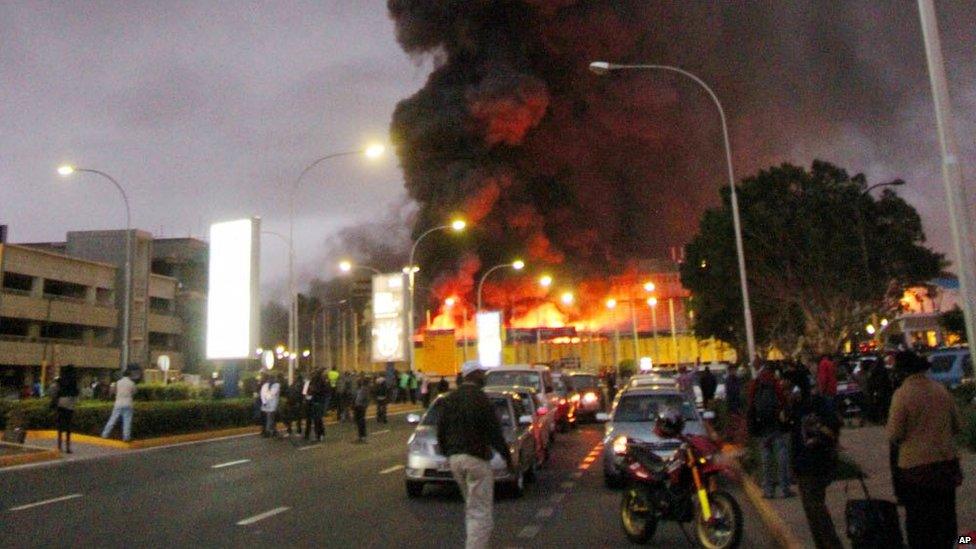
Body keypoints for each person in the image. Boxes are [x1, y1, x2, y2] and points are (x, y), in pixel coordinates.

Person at [886, 351, 962, 549]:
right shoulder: (940, 390)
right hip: (945, 465)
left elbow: (895, 434)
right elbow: (957, 425)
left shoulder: (902, 395)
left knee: (919, 523)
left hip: (915, 470)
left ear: (902, 372)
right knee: (946, 518)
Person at [436, 363, 513, 549]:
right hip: (476, 459)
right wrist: (507, 457)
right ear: (475, 375)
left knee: (472, 507)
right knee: (479, 512)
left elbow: (441, 429)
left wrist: (447, 453)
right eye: (482, 373)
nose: (484, 377)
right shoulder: (481, 399)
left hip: (455, 459)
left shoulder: (450, 398)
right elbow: (494, 431)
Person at [789, 377, 843, 549]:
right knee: (813, 510)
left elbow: (831, 427)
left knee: (816, 510)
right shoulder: (809, 406)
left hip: (811, 463)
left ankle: (831, 545)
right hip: (814, 463)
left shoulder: (808, 408)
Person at [747, 362, 792, 499]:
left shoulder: (755, 384)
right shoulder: (774, 383)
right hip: (775, 424)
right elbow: (783, 401)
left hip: (762, 426)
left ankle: (768, 491)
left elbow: (750, 405)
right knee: (781, 456)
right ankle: (785, 489)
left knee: (765, 458)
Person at [101, 367, 137, 442]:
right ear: (130, 375)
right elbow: (134, 392)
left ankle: (105, 434)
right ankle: (126, 437)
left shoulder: (118, 382)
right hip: (128, 403)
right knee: (127, 421)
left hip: (118, 403)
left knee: (113, 419)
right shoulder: (132, 383)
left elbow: (113, 391)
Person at [50, 365, 79, 453]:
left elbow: (53, 390)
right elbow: (76, 392)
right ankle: (68, 447)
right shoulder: (74, 380)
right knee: (68, 426)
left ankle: (59, 446)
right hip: (70, 403)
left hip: (61, 402)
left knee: (60, 425)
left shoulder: (59, 380)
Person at [259, 373, 281, 437]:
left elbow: (264, 394)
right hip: (271, 405)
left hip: (267, 405)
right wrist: (266, 399)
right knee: (270, 418)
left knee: (271, 418)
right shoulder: (275, 385)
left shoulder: (268, 385)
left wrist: (264, 400)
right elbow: (271, 394)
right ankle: (268, 432)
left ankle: (273, 431)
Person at [353, 376, 370, 443]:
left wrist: (364, 405)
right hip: (358, 406)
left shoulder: (364, 389)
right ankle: (361, 436)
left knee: (361, 422)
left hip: (360, 407)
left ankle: (362, 436)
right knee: (359, 422)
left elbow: (363, 398)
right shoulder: (360, 389)